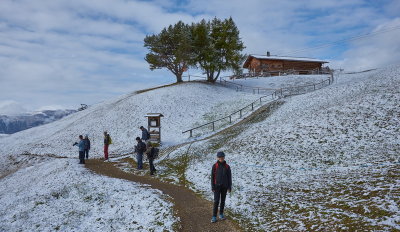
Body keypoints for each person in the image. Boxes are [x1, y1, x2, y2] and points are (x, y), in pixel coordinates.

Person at [211, 151, 232, 223]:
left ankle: (221, 214)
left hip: (224, 187)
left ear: (224, 157)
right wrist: (213, 186)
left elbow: (229, 177)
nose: (221, 158)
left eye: (222, 157)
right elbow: (212, 177)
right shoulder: (215, 166)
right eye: (219, 157)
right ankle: (214, 216)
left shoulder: (227, 166)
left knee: (223, 201)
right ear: (217, 158)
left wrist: (229, 187)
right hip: (217, 187)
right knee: (216, 201)